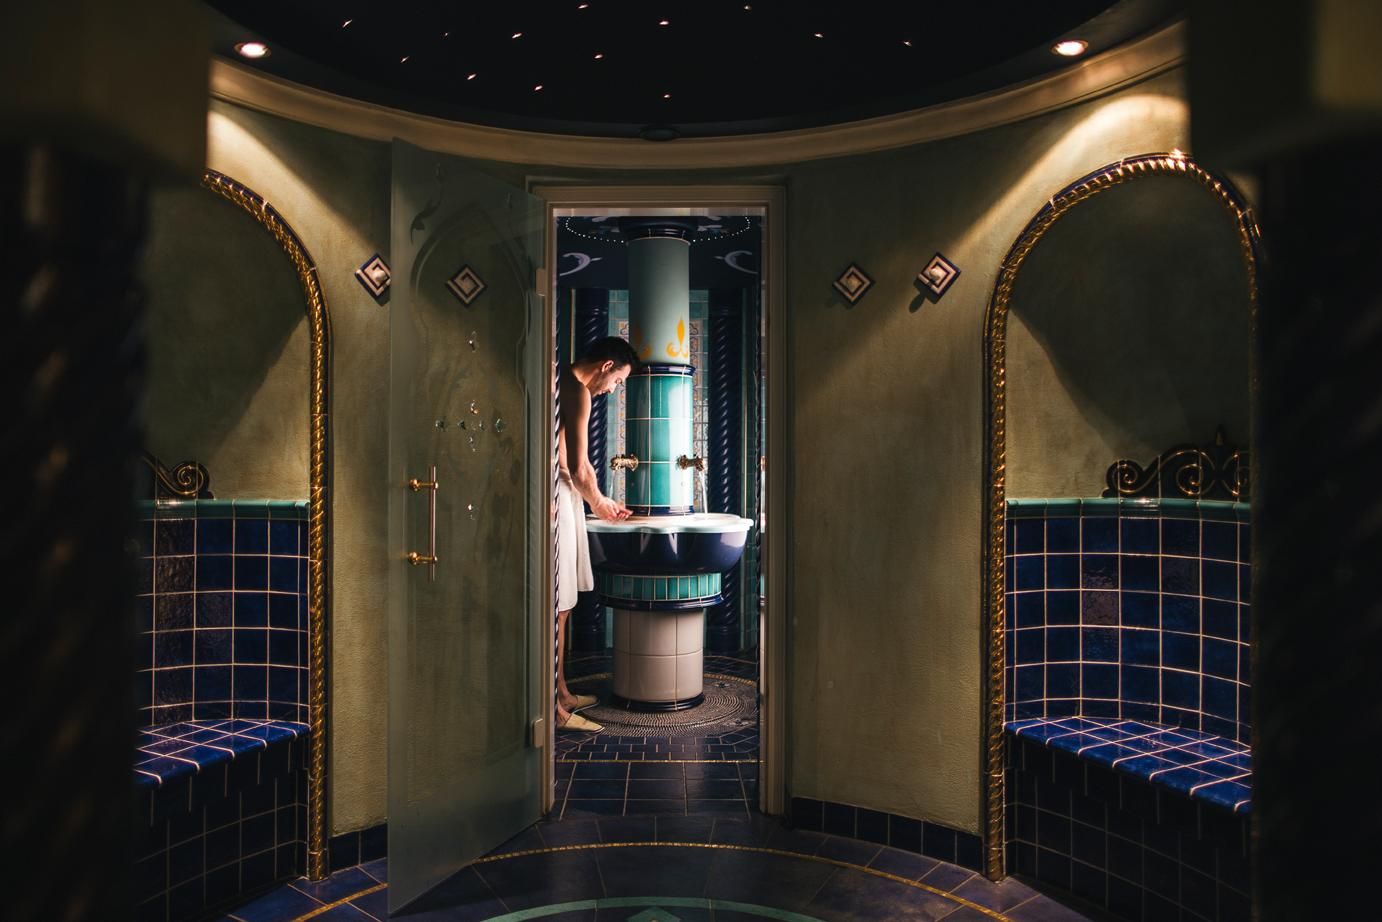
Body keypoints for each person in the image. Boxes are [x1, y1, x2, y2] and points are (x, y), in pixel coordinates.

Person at [555, 336, 638, 731]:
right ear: (606, 365)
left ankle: (562, 693)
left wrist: (594, 499)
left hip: (563, 497)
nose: (614, 389)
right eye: (619, 380)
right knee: (556, 605)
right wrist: (601, 504)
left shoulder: (559, 381)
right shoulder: (576, 389)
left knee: (563, 604)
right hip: (556, 500)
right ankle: (555, 711)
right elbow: (579, 466)